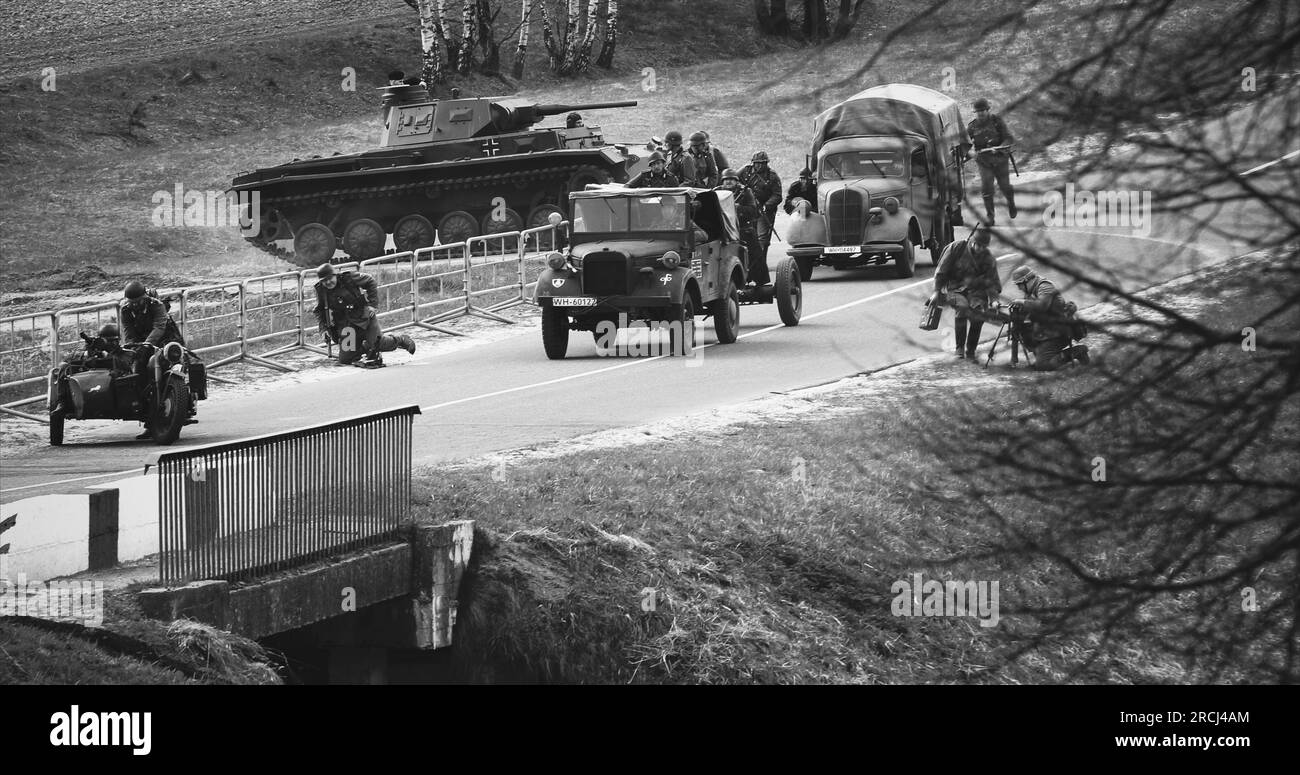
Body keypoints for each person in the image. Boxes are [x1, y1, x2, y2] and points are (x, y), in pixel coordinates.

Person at [313, 264, 416, 366]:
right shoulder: (321, 290)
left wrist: (372, 305)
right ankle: (368, 347)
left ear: (335, 275)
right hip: (347, 326)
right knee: (346, 359)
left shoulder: (349, 278)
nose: (328, 282)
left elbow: (370, 281)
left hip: (364, 318)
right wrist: (323, 329)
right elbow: (319, 310)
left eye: (330, 278)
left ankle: (400, 340)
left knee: (379, 343)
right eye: (324, 280)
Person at [933, 227, 1001, 360]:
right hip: (953, 289)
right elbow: (940, 272)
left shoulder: (988, 258)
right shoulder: (956, 248)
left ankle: (971, 349)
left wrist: (994, 300)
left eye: (984, 246)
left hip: (976, 292)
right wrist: (936, 292)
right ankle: (959, 348)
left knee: (979, 314)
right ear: (972, 241)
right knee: (962, 307)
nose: (980, 249)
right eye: (978, 245)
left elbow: (992, 282)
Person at [1008, 265, 1089, 371]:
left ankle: (1078, 351)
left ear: (1027, 280)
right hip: (1047, 330)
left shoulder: (1045, 286)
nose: (1019, 288)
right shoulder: (1031, 292)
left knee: (1044, 365)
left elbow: (1041, 306)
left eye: (1019, 284)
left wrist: (1021, 302)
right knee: (1026, 332)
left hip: (1059, 331)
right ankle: (1044, 355)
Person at [965, 97, 1017, 224]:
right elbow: (965, 144)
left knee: (1005, 186)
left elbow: (1009, 138)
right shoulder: (972, 126)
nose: (981, 113)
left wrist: (999, 148)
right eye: (978, 111)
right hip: (984, 162)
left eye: (983, 110)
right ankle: (990, 216)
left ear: (988, 110)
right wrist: (970, 153)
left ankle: (1011, 202)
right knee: (987, 187)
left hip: (1000, 159)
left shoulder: (997, 121)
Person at [717, 168, 769, 286]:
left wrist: (737, 208)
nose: (728, 182)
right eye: (726, 180)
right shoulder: (717, 192)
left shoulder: (745, 192)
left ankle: (757, 280)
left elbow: (753, 211)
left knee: (754, 252)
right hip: (723, 229)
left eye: (731, 180)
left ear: (736, 181)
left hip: (743, 227)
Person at [739, 151, 782, 266]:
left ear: (766, 163)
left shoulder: (772, 176)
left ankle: (760, 264)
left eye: (761, 163)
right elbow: (734, 180)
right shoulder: (745, 171)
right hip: (749, 208)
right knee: (747, 236)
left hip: (764, 211)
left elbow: (777, 195)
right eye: (756, 163)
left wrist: (767, 205)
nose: (758, 166)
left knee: (762, 239)